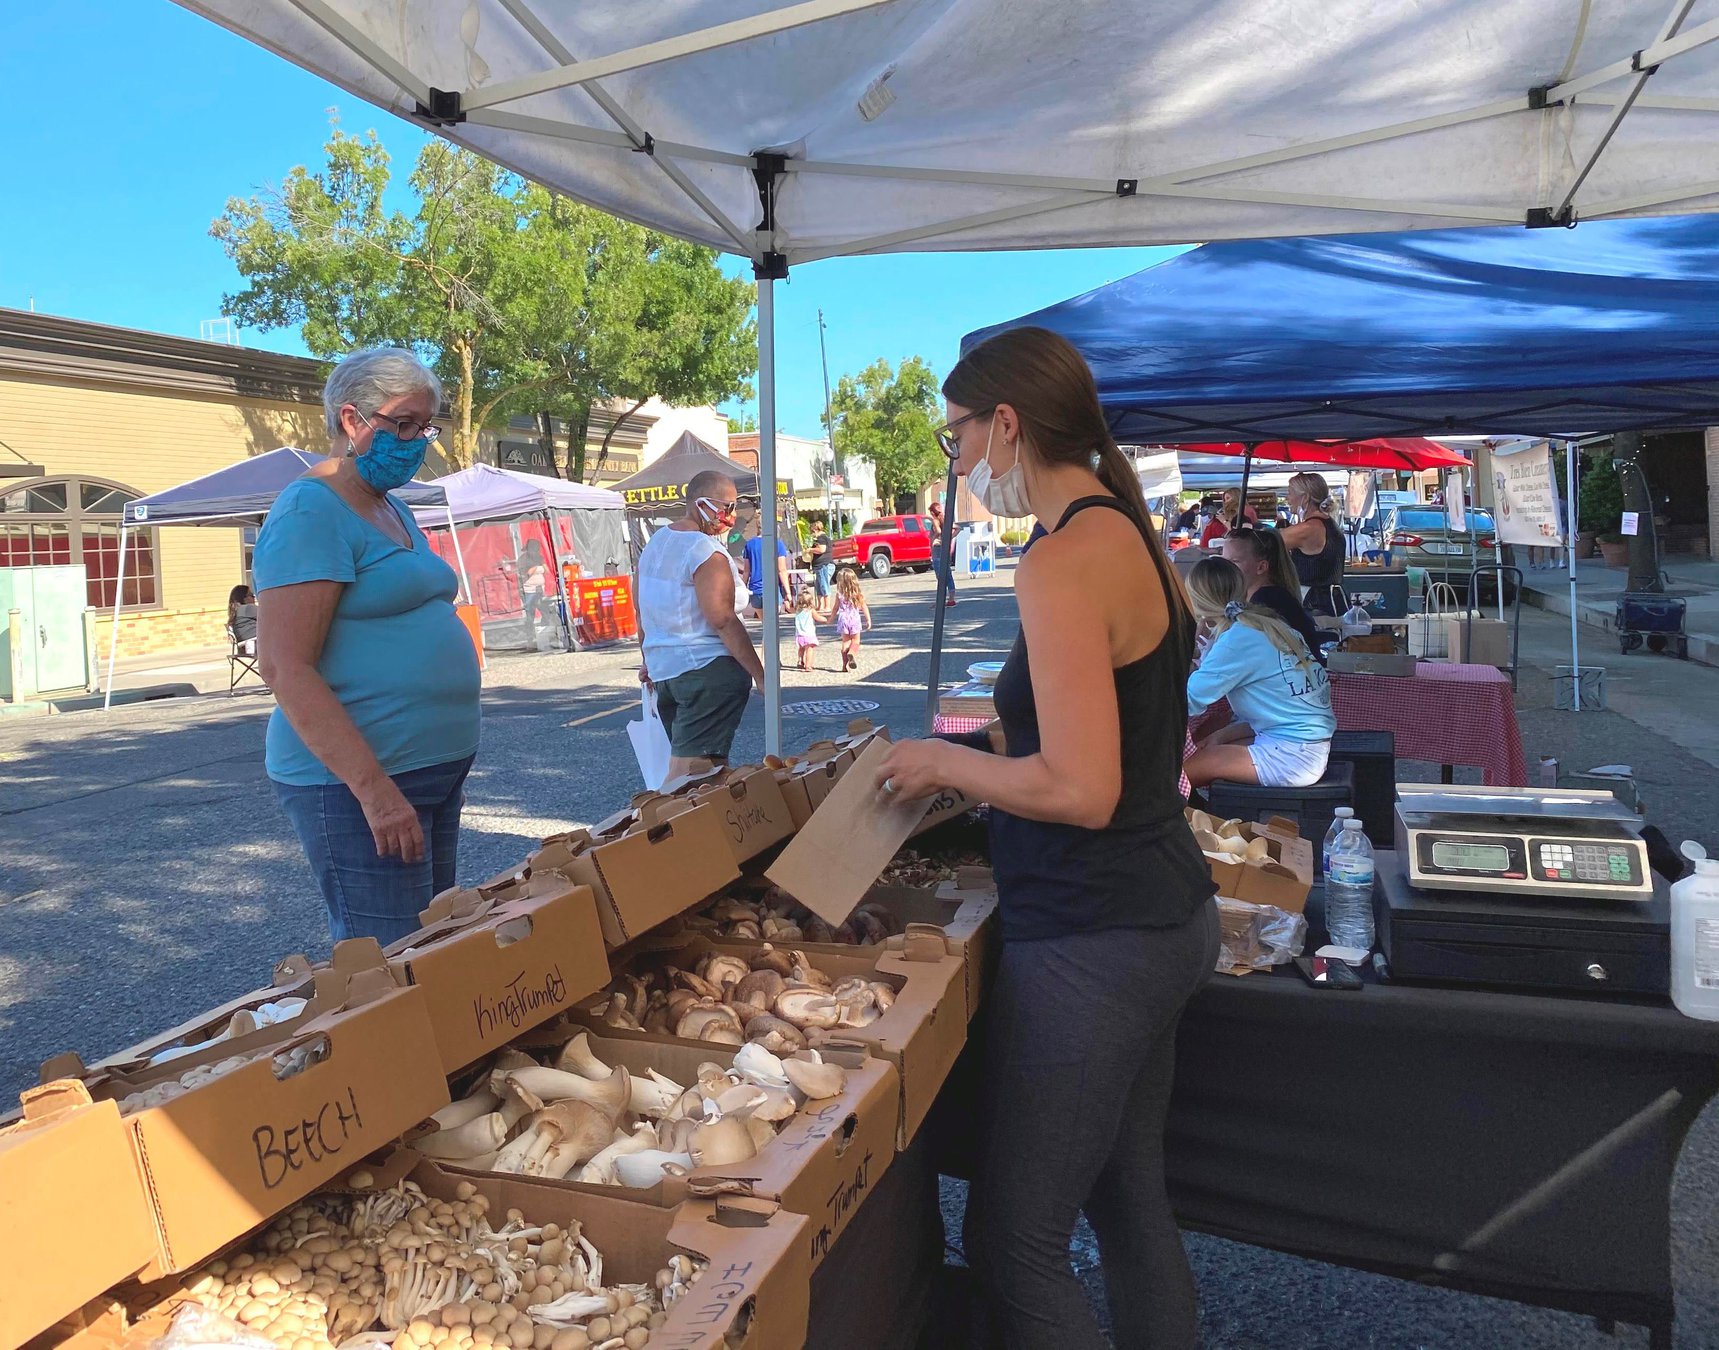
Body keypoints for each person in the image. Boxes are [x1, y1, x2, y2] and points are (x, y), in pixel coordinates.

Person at [870, 326, 1218, 1350]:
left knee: (1013, 1242)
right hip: (1160, 912)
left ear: (1008, 424)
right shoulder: (1124, 531)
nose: (959, 462)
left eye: (958, 437)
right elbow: (1098, 730)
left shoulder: (1062, 560)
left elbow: (1081, 787)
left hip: (1095, 932)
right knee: (1125, 1198)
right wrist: (968, 746)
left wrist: (943, 767)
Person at [254, 347, 481, 945]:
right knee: (394, 965)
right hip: (360, 787)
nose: (416, 442)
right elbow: (284, 666)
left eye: (424, 427)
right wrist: (376, 793)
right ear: (351, 419)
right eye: (402, 424)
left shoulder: (391, 505)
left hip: (430, 771)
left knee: (437, 949)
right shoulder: (310, 511)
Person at [636, 470, 765, 778]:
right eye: (727, 507)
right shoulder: (704, 550)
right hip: (706, 670)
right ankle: (656, 813)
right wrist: (761, 675)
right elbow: (722, 618)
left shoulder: (654, 545)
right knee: (688, 775)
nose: (730, 518)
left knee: (708, 775)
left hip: (667, 673)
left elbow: (642, 611)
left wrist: (649, 659)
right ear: (702, 503)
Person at [1183, 557, 1335, 790]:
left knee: (1175, 777)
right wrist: (1221, 737)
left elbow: (1188, 700)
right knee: (1210, 739)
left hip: (1293, 756)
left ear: (1196, 603)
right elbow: (1281, 713)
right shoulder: (1267, 624)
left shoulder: (1238, 639)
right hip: (1307, 746)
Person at [1221, 526, 1329, 664]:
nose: (1224, 568)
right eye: (1223, 561)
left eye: (1234, 562)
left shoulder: (1265, 602)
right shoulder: (1273, 595)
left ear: (1261, 567)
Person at [1279, 470, 1346, 615]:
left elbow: (1265, 544)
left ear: (1305, 497)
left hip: (1315, 606)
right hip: (1333, 602)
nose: (1287, 498)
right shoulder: (1329, 523)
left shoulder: (1308, 529)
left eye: (1290, 493)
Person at [743, 519, 791, 617]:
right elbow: (782, 570)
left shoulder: (749, 544)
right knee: (772, 622)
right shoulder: (777, 544)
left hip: (755, 590)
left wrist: (743, 587)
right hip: (772, 589)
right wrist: (788, 592)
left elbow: (746, 571)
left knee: (764, 622)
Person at [833, 566, 871, 672]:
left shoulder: (839, 594)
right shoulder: (857, 594)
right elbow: (864, 607)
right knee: (855, 641)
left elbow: (835, 608)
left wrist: (830, 618)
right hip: (854, 619)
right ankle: (851, 653)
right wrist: (868, 620)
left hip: (843, 619)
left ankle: (844, 666)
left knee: (845, 643)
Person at [929, 500, 957, 606]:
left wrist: (933, 539)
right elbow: (958, 528)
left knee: (940, 578)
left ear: (932, 512)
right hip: (945, 550)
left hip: (937, 552)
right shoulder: (944, 520)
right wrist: (949, 537)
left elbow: (938, 531)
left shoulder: (935, 521)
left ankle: (941, 601)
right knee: (948, 575)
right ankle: (951, 599)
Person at [792, 585, 820, 671]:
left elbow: (789, 609)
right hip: (809, 634)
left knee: (801, 649)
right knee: (809, 649)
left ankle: (800, 661)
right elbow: (818, 618)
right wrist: (826, 620)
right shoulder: (811, 610)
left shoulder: (797, 610)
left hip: (799, 634)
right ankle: (808, 665)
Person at [808, 523, 835, 613]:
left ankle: (827, 606)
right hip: (820, 566)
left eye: (812, 532)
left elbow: (821, 550)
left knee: (824, 585)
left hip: (823, 565)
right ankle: (821, 605)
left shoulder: (821, 538)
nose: (811, 534)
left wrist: (810, 550)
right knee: (819, 586)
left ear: (815, 530)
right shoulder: (823, 538)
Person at [227, 584, 258, 652]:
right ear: (244, 598)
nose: (254, 598)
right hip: (255, 644)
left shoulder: (235, 611)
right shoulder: (248, 608)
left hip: (245, 646)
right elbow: (269, 616)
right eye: (252, 595)